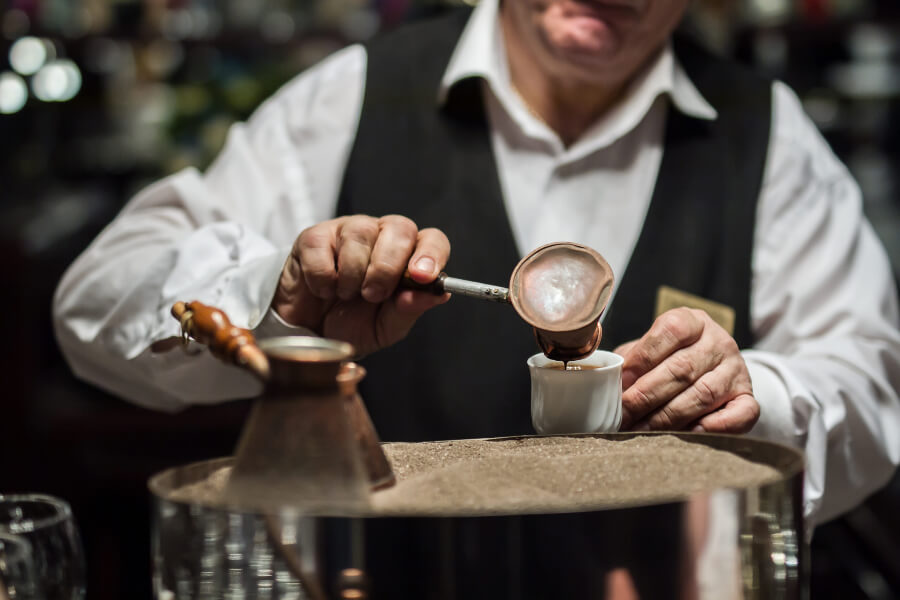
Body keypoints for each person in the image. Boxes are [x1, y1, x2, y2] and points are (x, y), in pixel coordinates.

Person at [53, 0, 900, 533]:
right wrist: (279, 300)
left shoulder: (768, 132)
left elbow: (871, 385)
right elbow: (97, 304)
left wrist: (757, 397)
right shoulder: (351, 96)